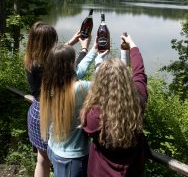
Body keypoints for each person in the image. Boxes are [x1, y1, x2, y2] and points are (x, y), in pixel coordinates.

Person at [24, 21, 91, 177]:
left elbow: (53, 58)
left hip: (35, 111)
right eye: (53, 41)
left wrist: (70, 43)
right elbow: (72, 73)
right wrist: (84, 49)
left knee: (42, 160)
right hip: (48, 115)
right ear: (47, 43)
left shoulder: (31, 59)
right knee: (57, 160)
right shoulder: (47, 67)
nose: (56, 43)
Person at [80, 34, 149, 177]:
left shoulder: (95, 114)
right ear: (126, 79)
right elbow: (139, 73)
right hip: (132, 171)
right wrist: (132, 45)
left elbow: (86, 128)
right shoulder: (137, 101)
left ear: (100, 82)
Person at [39, 41, 106, 177]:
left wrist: (93, 51)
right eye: (73, 61)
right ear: (68, 65)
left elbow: (78, 71)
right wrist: (99, 61)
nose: (75, 62)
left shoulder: (48, 85)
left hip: (54, 147)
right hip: (72, 158)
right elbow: (102, 85)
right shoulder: (80, 88)